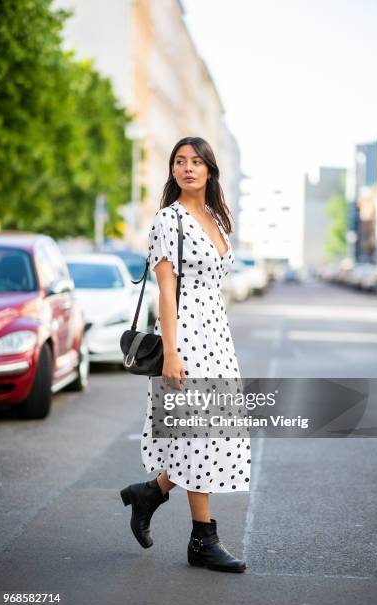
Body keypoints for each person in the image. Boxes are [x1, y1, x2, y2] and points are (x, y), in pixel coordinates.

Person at [120, 136, 251, 573]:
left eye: (197, 162)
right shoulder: (167, 221)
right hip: (187, 336)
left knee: (210, 432)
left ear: (210, 170)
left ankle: (150, 493)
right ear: (172, 170)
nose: (188, 168)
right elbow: (166, 293)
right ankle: (202, 539)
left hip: (217, 334)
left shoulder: (214, 216)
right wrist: (172, 352)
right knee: (199, 434)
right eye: (180, 161)